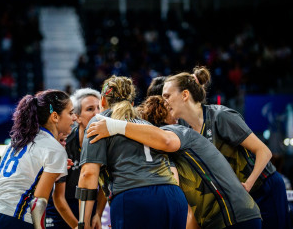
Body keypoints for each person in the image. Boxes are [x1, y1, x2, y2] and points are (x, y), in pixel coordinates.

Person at [87, 96, 262, 228]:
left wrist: (114, 127)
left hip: (230, 216)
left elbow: (167, 149)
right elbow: (189, 205)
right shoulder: (179, 137)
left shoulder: (172, 132)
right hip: (230, 214)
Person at [160, 66, 289, 228]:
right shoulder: (183, 127)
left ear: (185, 95)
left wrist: (248, 184)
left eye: (167, 96)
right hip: (241, 196)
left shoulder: (221, 116)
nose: (164, 102)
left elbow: (265, 151)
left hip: (264, 186)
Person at [78, 75, 188, 229]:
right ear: (132, 103)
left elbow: (88, 174)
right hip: (173, 196)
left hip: (133, 197)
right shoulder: (144, 123)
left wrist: (83, 222)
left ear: (102, 101)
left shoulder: (100, 121)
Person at [0, 90, 76, 229]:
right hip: (10, 218)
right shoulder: (54, 148)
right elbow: (38, 202)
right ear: (55, 117)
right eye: (70, 113)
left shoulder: (17, 140)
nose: (74, 118)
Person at [46, 88, 106, 228]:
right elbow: (58, 198)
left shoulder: (105, 143)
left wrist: (98, 213)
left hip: (88, 202)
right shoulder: (63, 143)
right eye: (90, 109)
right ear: (77, 117)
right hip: (59, 207)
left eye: (99, 108)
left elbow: (105, 184)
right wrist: (78, 226)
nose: (97, 113)